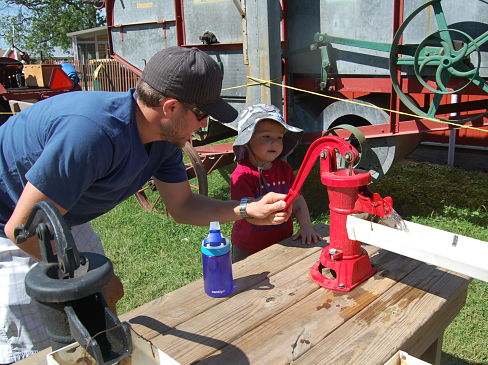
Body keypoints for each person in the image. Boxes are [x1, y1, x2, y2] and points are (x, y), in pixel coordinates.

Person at [0, 46, 290, 363]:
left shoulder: (163, 139)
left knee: (99, 309)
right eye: (202, 115)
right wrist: (87, 274)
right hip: (12, 223)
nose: (202, 127)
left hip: (59, 214)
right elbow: (23, 230)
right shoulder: (92, 133)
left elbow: (183, 206)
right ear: (170, 106)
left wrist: (248, 209)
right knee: (35, 345)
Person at [230, 104, 321, 262]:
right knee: (245, 284)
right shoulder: (242, 175)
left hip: (283, 242)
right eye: (266, 136)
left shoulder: (284, 169)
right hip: (248, 248)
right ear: (247, 141)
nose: (275, 143)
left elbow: (297, 200)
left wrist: (306, 226)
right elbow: (243, 214)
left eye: (279, 137)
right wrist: (265, 219)